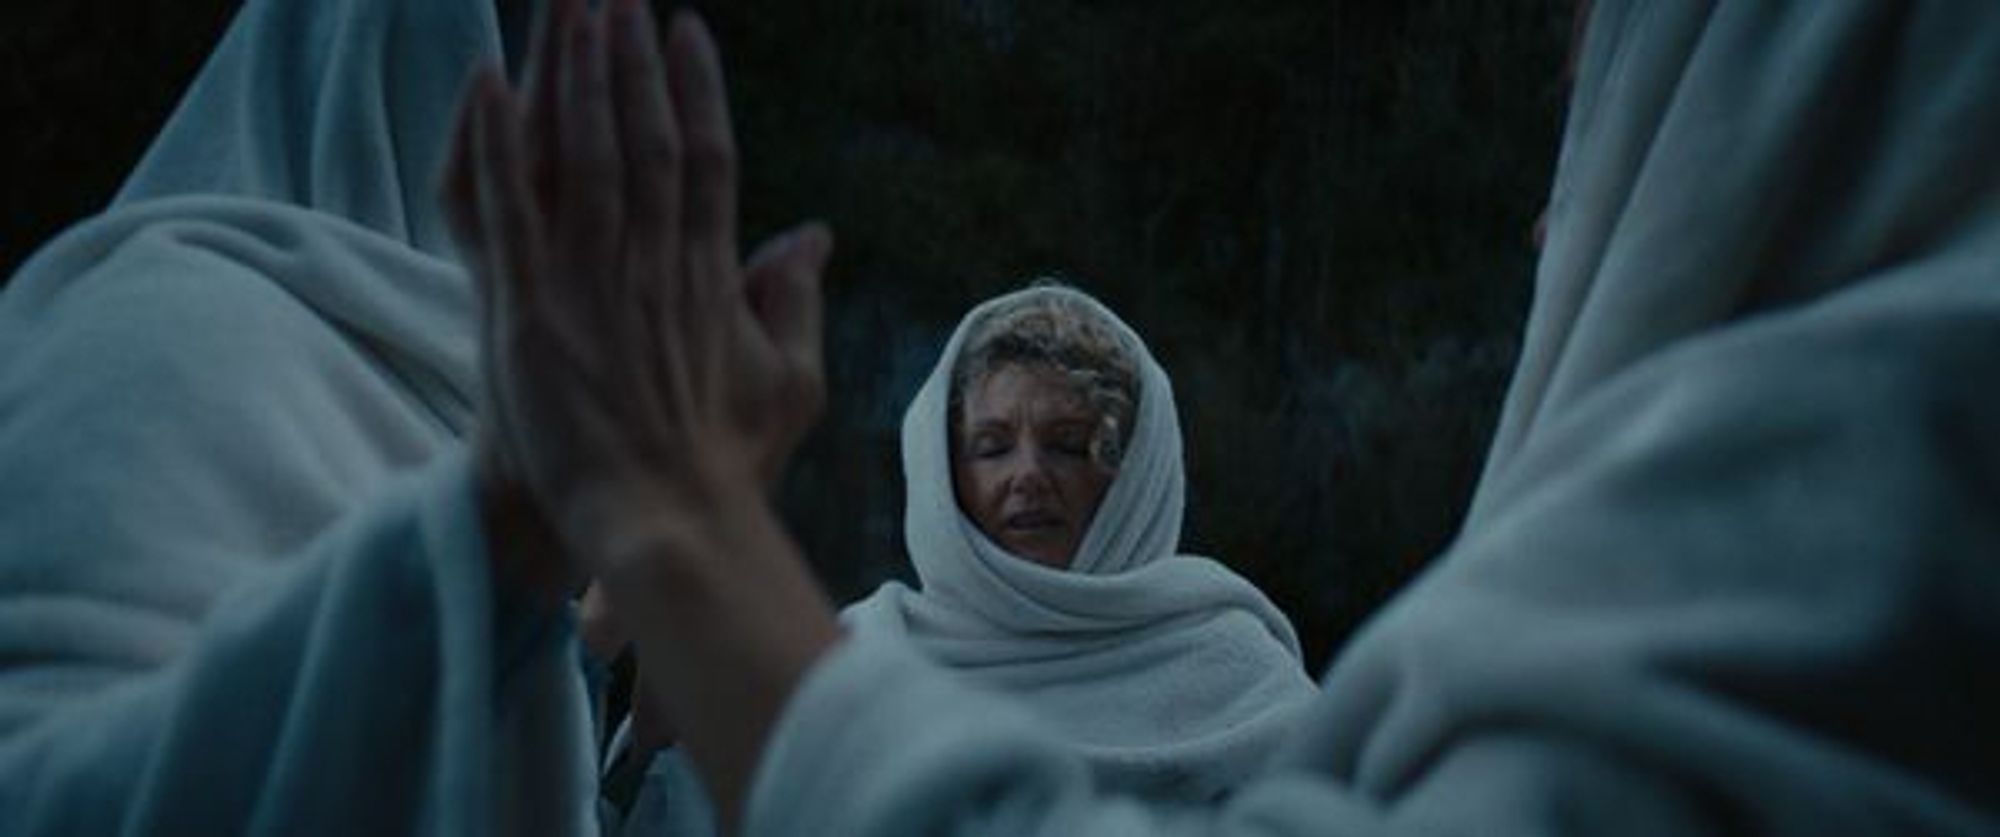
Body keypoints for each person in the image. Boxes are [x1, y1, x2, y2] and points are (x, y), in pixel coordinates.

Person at [454, 0, 2000, 834]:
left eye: (1603, 107)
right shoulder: (868, 645)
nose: (1552, 219)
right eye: (989, 445)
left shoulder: (1840, 546)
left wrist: (680, 527)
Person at [0, 0, 824, 832]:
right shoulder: (152, 344)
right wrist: (495, 539)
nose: (586, 152)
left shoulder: (487, 400)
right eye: (558, 74)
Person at [596, 284, 1319, 833]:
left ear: (1134, 475)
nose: (1027, 474)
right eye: (992, 445)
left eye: (1069, 444)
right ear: (944, 470)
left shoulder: (1240, 681)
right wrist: (658, 749)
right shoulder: (858, 658)